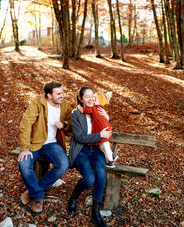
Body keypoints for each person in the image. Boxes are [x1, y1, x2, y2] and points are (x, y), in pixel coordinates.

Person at [18, 81, 72, 214]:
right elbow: (26, 124)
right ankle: (38, 197)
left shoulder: (65, 106)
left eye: (62, 92)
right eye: (58, 93)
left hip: (52, 144)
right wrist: (25, 148)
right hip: (34, 143)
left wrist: (64, 124)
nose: (62, 95)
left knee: (64, 164)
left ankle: (34, 190)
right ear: (49, 95)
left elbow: (73, 121)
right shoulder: (38, 103)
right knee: (24, 164)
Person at [68, 86, 111, 227]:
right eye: (87, 96)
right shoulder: (76, 114)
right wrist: (99, 136)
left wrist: (107, 118)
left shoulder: (97, 110)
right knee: (89, 179)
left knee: (100, 174)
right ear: (81, 99)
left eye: (93, 95)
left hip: (95, 150)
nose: (91, 98)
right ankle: (74, 197)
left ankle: (95, 212)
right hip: (81, 150)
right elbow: (80, 137)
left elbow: (106, 128)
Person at [78, 91, 118, 167]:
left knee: (105, 147)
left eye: (94, 98)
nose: (92, 99)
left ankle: (111, 161)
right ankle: (113, 155)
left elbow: (84, 110)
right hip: (106, 129)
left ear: (99, 102)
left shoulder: (95, 108)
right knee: (103, 145)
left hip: (104, 131)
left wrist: (79, 108)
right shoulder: (100, 108)